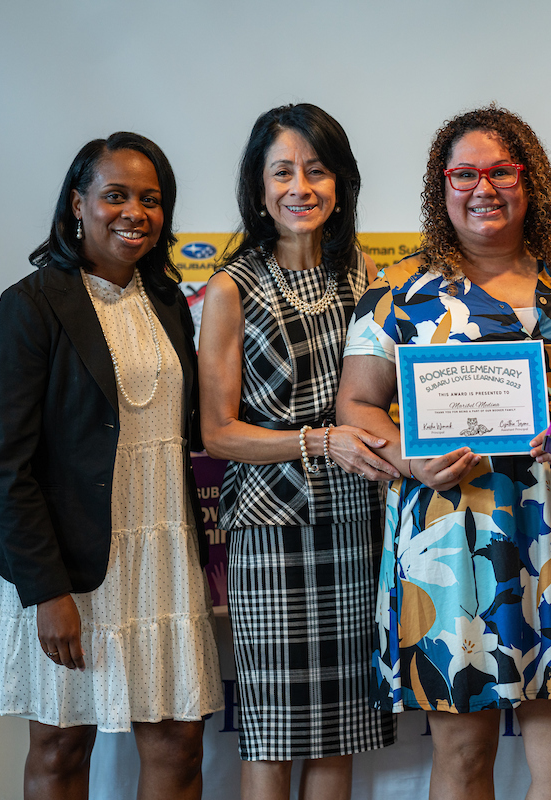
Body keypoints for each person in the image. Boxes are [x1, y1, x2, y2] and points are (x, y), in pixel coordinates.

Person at [337, 105, 551, 800]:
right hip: (445, 540)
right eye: (463, 173)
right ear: (442, 187)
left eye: (501, 170)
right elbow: (357, 405)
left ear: (532, 183)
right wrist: (407, 458)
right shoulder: (397, 294)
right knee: (462, 761)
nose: (482, 187)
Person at [0, 132, 224, 800]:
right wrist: (46, 593)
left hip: (161, 553)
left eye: (151, 198)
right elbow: (8, 466)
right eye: (115, 195)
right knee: (60, 745)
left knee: (177, 743)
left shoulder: (169, 302)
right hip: (68, 567)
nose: (133, 211)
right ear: (77, 205)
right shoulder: (29, 306)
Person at [196, 104, 397, 800]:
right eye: (282, 172)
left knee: (342, 729)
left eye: (317, 171)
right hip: (272, 530)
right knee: (275, 734)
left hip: (357, 521)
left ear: (341, 183)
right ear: (258, 189)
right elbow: (218, 433)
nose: (300, 187)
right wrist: (319, 439)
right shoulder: (229, 287)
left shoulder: (363, 275)